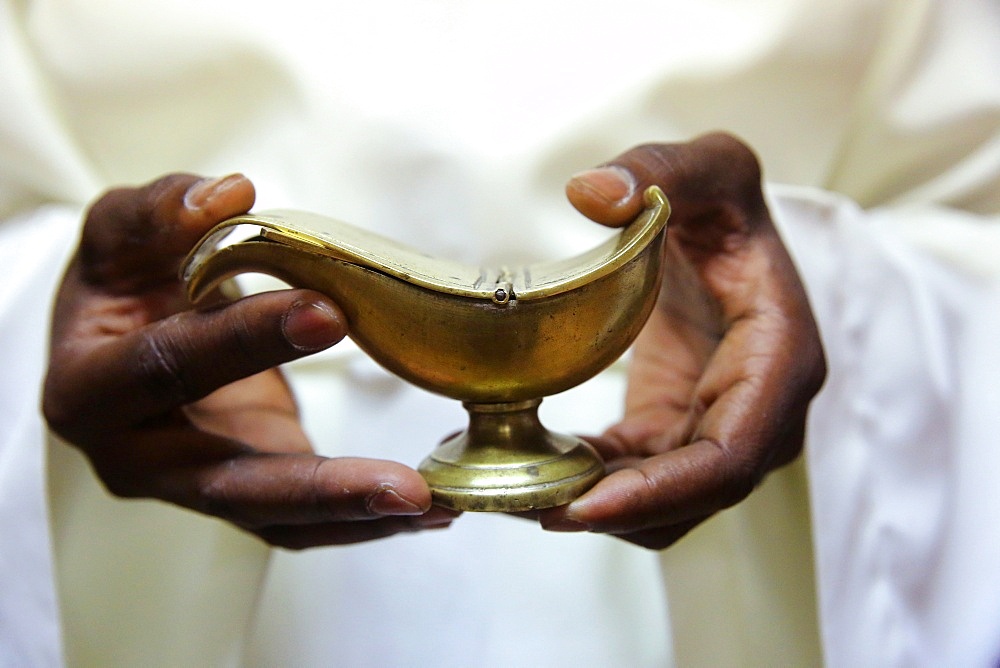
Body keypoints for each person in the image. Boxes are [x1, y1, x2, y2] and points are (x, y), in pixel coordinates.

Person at [2, 0, 998, 666]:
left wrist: (819, 289)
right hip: (211, 553)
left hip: (712, 535)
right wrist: (96, 311)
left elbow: (973, 223)